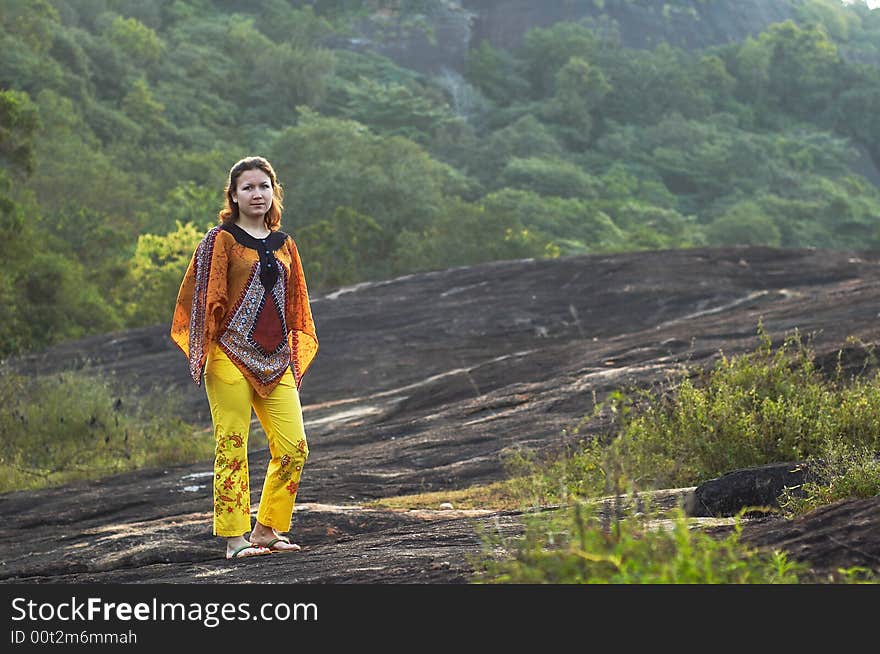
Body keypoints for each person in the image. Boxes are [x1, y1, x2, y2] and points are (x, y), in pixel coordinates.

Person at [171, 156, 319, 560]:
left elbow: (296, 303)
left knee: (294, 447)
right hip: (229, 356)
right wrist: (202, 350)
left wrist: (287, 348)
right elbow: (203, 297)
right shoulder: (221, 240)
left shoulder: (285, 244)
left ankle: (267, 529)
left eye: (264, 186)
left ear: (274, 193)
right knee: (232, 443)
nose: (257, 194)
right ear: (233, 196)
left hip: (275, 359)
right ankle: (235, 540)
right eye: (248, 187)